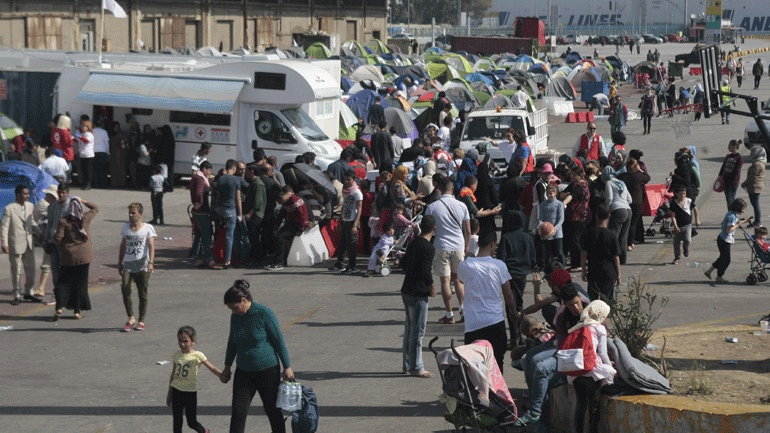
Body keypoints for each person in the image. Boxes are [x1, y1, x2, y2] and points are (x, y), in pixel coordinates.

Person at [220, 280, 294, 433]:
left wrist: (287, 366)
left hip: (267, 370)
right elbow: (232, 342)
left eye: (234, 307)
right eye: (230, 309)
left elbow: (278, 340)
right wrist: (227, 366)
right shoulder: (235, 317)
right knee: (238, 413)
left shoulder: (263, 313)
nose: (233, 311)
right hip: (244, 372)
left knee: (272, 410)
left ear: (244, 300)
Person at [458, 230, 518, 372]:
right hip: (495, 320)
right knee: (497, 360)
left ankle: (479, 392)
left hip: (473, 323)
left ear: (478, 244)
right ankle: (497, 391)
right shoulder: (499, 265)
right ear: (493, 244)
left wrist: (469, 258)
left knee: (475, 363)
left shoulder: (465, 265)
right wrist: (514, 312)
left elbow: (461, 279)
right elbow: (508, 294)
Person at [425, 175, 471, 324]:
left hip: (441, 245)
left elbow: (427, 227)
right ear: (451, 189)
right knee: (458, 279)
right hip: (458, 245)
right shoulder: (462, 206)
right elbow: (468, 230)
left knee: (445, 281)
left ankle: (449, 314)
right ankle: (463, 310)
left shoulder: (432, 207)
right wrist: (467, 246)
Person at [570, 300, 616, 433]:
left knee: (581, 405)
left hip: (576, 371)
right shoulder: (598, 328)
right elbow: (602, 353)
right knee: (594, 408)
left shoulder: (579, 325)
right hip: (591, 372)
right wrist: (611, 369)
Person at [166, 326, 223, 433]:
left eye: (185, 341)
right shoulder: (177, 356)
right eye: (179, 340)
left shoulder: (197, 355)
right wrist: (169, 393)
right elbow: (173, 375)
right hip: (176, 391)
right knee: (177, 422)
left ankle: (204, 431)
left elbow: (212, 368)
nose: (182, 344)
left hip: (190, 393)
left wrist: (222, 375)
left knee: (191, 422)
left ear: (193, 341)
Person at [401, 215, 437, 378]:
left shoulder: (414, 243)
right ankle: (417, 366)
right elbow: (425, 270)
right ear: (434, 229)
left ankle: (408, 364)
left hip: (407, 288)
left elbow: (404, 264)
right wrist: (431, 285)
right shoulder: (428, 247)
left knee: (409, 328)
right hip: (418, 292)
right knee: (418, 331)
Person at [52, 196, 98, 321]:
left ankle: (59, 307)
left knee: (63, 282)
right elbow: (95, 208)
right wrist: (84, 200)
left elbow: (58, 238)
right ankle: (77, 312)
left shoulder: (64, 221)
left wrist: (60, 244)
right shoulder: (85, 219)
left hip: (68, 257)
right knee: (80, 284)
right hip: (84, 257)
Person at [497, 210, 536, 346]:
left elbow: (501, 258)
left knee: (510, 306)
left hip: (509, 274)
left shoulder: (506, 237)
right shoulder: (528, 237)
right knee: (519, 303)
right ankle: (522, 333)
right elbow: (532, 256)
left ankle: (515, 337)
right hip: (522, 274)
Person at [118, 202, 156, 332]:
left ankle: (141, 320)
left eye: (133, 213)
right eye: (129, 213)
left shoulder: (147, 228)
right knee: (125, 289)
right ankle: (131, 318)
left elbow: (151, 246)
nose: (131, 215)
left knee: (142, 293)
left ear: (140, 214)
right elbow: (123, 246)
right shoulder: (125, 228)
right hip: (128, 264)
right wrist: (120, 262)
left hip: (142, 264)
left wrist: (151, 262)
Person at [2, 185, 42, 305]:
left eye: (28, 194)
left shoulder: (30, 206)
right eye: (25, 194)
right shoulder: (9, 208)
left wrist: (40, 232)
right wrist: (4, 243)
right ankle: (16, 294)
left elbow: (32, 221)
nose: (28, 196)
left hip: (29, 243)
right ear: (18, 195)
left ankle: (29, 292)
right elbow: (4, 227)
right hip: (15, 243)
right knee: (16, 271)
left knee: (31, 270)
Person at [580, 203, 621, 301]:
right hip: (608, 270)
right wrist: (618, 273)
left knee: (592, 300)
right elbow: (616, 257)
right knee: (607, 300)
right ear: (609, 216)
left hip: (593, 270)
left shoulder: (588, 233)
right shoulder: (612, 235)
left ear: (596, 215)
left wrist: (583, 270)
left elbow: (583, 254)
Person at [705, 199, 748, 283]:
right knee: (726, 260)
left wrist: (744, 221)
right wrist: (738, 224)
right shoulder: (732, 216)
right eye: (743, 208)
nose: (744, 211)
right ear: (738, 208)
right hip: (725, 240)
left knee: (722, 258)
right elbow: (730, 229)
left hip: (723, 239)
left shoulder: (731, 214)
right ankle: (719, 277)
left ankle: (709, 271)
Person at [266, 185, 309, 270]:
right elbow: (281, 215)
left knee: (281, 238)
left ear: (285, 196)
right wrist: (276, 227)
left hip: (298, 224)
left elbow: (302, 215)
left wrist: (302, 228)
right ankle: (280, 259)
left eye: (281, 200)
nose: (281, 202)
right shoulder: (286, 202)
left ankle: (280, 262)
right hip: (291, 223)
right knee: (279, 236)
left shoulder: (295, 201)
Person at [330, 171, 363, 274]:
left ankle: (352, 266)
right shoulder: (345, 191)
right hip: (345, 219)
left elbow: (359, 209)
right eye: (345, 179)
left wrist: (355, 225)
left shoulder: (357, 192)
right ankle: (340, 264)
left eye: (349, 179)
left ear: (353, 179)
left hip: (352, 221)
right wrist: (340, 220)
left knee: (352, 245)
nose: (347, 181)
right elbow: (344, 206)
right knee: (342, 244)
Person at [190, 161, 220, 270]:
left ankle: (196, 257)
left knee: (198, 234)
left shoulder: (196, 177)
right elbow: (199, 192)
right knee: (206, 234)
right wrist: (200, 202)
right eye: (209, 170)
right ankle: (209, 258)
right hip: (202, 211)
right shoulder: (201, 179)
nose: (210, 172)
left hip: (197, 212)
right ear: (205, 169)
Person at [213, 159, 243, 269]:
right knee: (229, 236)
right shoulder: (236, 180)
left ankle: (217, 255)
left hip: (219, 209)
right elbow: (238, 198)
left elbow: (217, 194)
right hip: (231, 210)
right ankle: (227, 260)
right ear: (234, 168)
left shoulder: (221, 179)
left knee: (220, 232)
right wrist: (240, 214)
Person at [561, 168, 591, 272]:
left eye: (574, 175)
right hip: (572, 216)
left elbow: (571, 196)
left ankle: (578, 264)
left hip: (579, 216)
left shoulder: (581, 185)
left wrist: (564, 203)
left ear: (580, 175)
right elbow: (562, 194)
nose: (572, 177)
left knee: (576, 240)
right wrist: (566, 195)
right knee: (571, 240)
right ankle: (574, 263)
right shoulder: (573, 184)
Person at [618, 159, 650, 253]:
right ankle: (630, 243)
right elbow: (647, 178)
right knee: (633, 223)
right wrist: (640, 170)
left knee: (625, 223)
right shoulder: (638, 176)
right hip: (637, 202)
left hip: (625, 201)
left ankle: (624, 241)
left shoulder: (622, 176)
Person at [32, 185, 57, 301]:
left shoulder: (50, 205)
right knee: (48, 263)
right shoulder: (45, 205)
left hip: (47, 237)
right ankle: (41, 288)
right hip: (41, 236)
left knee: (48, 263)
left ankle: (41, 288)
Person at [602, 166, 632, 265]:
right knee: (623, 236)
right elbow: (630, 199)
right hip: (628, 210)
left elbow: (610, 198)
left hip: (617, 210)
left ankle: (612, 257)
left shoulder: (609, 183)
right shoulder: (621, 183)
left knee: (613, 235)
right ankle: (623, 259)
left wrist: (607, 208)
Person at [669, 185, 701, 265]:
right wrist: (675, 226)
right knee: (676, 242)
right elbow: (673, 216)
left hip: (687, 225)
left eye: (684, 193)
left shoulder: (689, 201)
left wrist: (697, 220)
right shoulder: (674, 203)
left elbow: (695, 210)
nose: (682, 196)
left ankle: (685, 247)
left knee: (687, 240)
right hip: (678, 226)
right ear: (676, 194)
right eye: (680, 194)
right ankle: (677, 257)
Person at [538, 184, 565, 267]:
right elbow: (540, 218)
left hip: (557, 232)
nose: (549, 195)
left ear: (555, 193)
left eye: (551, 193)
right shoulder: (543, 204)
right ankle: (547, 269)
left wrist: (555, 228)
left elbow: (561, 219)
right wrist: (541, 226)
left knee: (559, 251)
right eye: (547, 193)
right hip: (546, 232)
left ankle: (562, 268)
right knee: (547, 253)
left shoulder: (559, 204)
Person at [742, 144, 766, 227]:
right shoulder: (760, 163)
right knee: (755, 204)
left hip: (755, 186)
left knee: (755, 204)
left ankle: (758, 221)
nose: (750, 154)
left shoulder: (757, 164)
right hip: (756, 186)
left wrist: (745, 183)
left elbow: (752, 176)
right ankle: (757, 221)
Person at [718, 139, 744, 209]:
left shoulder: (739, 158)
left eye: (729, 146)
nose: (728, 147)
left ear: (734, 146)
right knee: (728, 200)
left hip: (732, 183)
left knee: (731, 200)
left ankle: (732, 216)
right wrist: (720, 176)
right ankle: (730, 214)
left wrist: (728, 179)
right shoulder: (728, 156)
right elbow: (723, 167)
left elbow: (736, 171)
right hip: (725, 181)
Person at [77, 120, 95, 189]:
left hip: (88, 155)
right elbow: (79, 141)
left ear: (88, 127)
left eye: (84, 126)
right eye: (82, 126)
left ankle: (88, 184)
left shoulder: (89, 134)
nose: (82, 127)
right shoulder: (82, 134)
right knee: (83, 170)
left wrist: (79, 137)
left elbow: (86, 141)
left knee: (88, 170)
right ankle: (84, 183)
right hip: (82, 154)